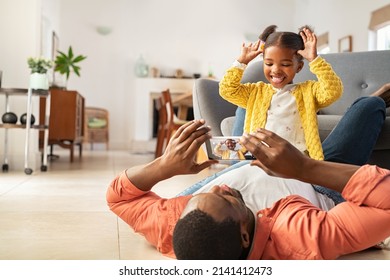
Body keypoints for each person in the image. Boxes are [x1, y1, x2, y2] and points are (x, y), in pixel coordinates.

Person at [106, 90, 389, 260]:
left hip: (246, 164)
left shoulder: (174, 226)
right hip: (316, 183)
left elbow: (118, 199)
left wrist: (165, 166)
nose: (220, 188)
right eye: (226, 201)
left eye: (204, 195)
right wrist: (305, 168)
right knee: (367, 106)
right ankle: (376, 100)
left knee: (246, 105)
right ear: (244, 236)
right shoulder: (303, 238)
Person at [219, 25, 343, 160]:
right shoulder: (256, 92)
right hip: (258, 160)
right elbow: (227, 90)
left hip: (296, 161)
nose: (276, 70)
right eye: (269, 63)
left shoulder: (308, 91)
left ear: (299, 67)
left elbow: (333, 91)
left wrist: (314, 60)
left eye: (285, 65)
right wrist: (242, 61)